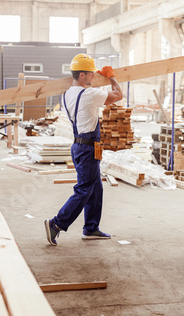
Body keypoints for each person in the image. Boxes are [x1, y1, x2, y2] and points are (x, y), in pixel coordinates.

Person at [44, 54, 123, 246]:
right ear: (81, 75)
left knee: (96, 187)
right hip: (87, 147)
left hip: (80, 145)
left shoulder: (67, 94)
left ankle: (91, 228)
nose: (93, 77)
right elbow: (118, 95)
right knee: (84, 189)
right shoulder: (88, 94)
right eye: (90, 74)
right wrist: (111, 76)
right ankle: (56, 224)